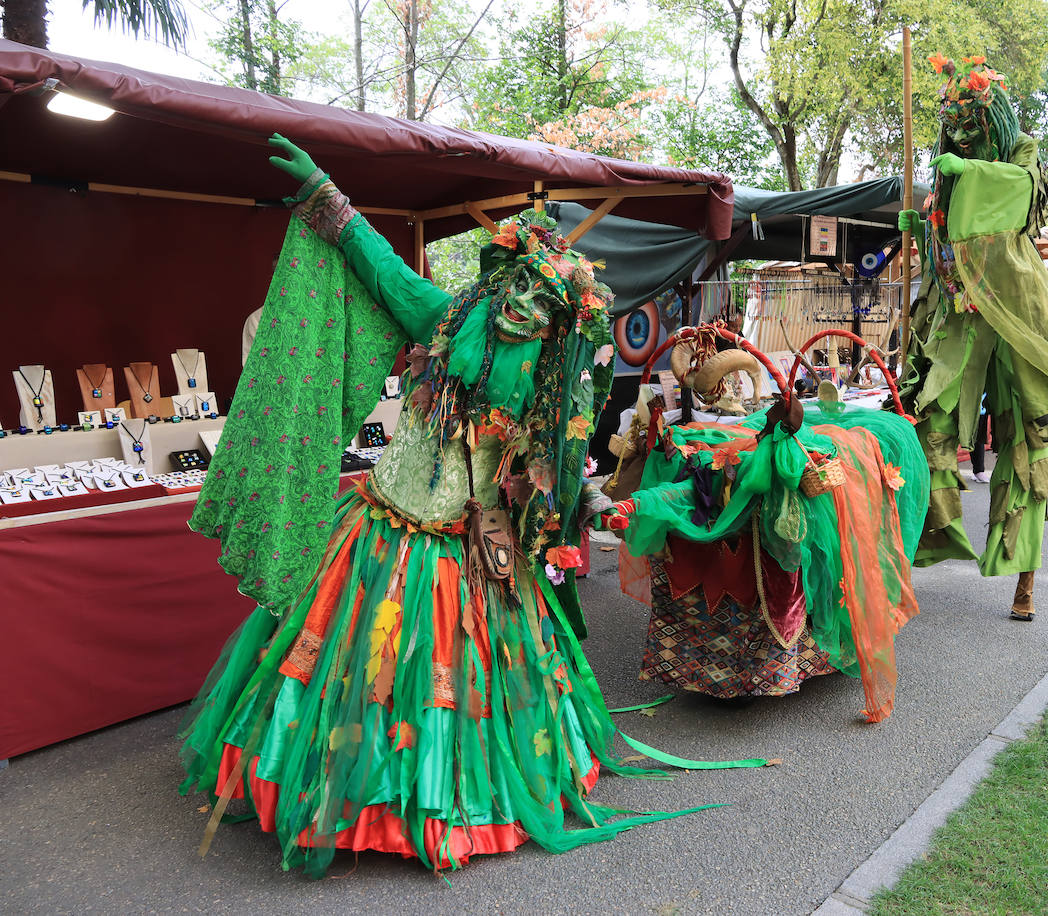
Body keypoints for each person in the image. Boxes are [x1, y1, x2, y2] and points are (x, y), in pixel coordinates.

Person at [179, 135, 764, 876]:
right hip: (388, 527)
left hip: (476, 549)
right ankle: (359, 793)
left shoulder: (559, 378)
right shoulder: (449, 319)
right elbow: (382, 269)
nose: (516, 313)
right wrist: (324, 196)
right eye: (510, 298)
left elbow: (556, 460)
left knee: (444, 681)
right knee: (357, 668)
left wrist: (589, 504)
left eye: (532, 309)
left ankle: (437, 801)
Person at [897, 55, 1048, 622]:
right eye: (957, 130)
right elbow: (947, 240)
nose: (965, 139)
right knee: (928, 425)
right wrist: (919, 227)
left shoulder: (1020, 152)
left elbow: (1018, 193)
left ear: (994, 116)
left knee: (1025, 445)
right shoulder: (948, 174)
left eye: (973, 127)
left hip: (1013, 309)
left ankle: (1025, 581)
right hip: (956, 314)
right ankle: (923, 547)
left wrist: (971, 176)